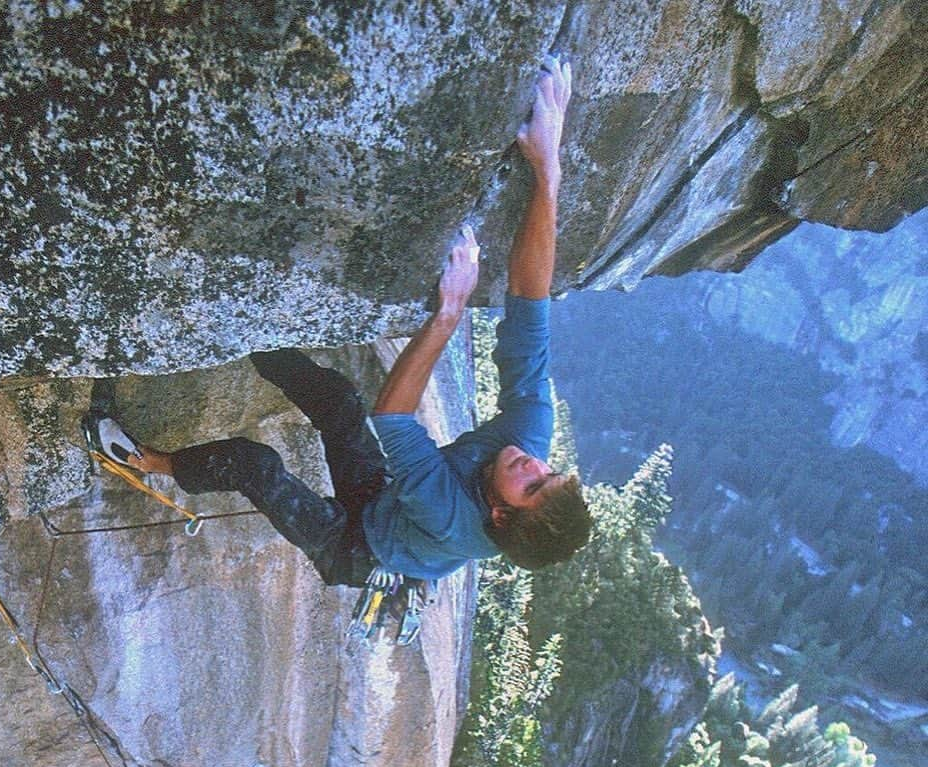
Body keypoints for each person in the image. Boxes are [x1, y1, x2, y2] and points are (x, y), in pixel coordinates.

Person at [89, 56, 590, 592]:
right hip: (386, 500)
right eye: (548, 471)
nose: (531, 464)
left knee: (253, 464)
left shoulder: (452, 519)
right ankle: (244, 330)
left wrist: (448, 314)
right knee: (336, 399)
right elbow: (529, 307)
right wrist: (547, 168)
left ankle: (143, 460)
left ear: (498, 518)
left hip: (352, 547)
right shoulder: (529, 441)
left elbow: (394, 417)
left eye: (531, 486)